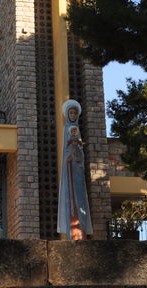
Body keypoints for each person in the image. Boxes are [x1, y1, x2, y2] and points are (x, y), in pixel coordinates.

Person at [57, 99, 92, 239]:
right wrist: (70, 156)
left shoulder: (76, 130)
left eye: (75, 113)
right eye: (70, 113)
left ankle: (81, 231)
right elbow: (66, 149)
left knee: (80, 198)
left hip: (78, 167)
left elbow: (80, 148)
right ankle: (74, 232)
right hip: (69, 168)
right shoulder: (67, 129)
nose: (72, 115)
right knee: (71, 198)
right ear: (67, 114)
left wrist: (77, 153)